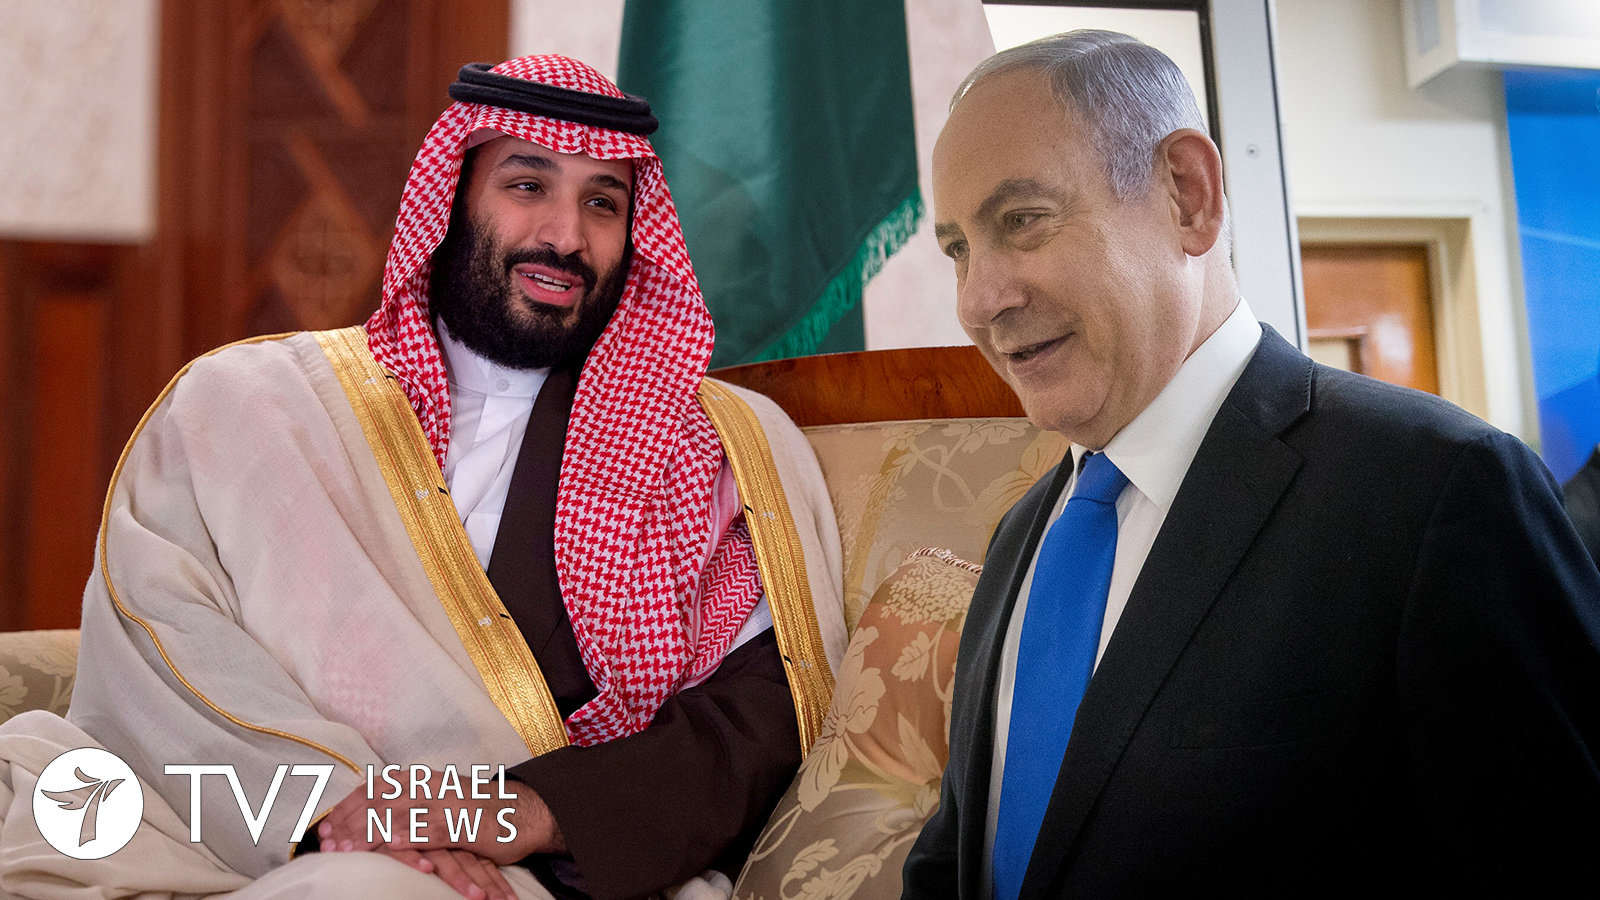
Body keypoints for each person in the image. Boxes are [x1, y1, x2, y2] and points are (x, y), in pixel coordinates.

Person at [0, 55, 844, 900]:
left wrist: (523, 813)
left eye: (603, 203)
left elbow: (759, 720)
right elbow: (161, 634)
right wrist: (335, 812)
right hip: (230, 821)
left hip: (521, 872)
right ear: (451, 198)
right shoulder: (250, 404)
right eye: (527, 185)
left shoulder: (706, 446)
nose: (565, 236)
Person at [901, 31, 1600, 899]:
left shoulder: (1438, 494)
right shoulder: (1020, 537)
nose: (979, 300)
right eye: (958, 249)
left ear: (1187, 196)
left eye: (1022, 221)